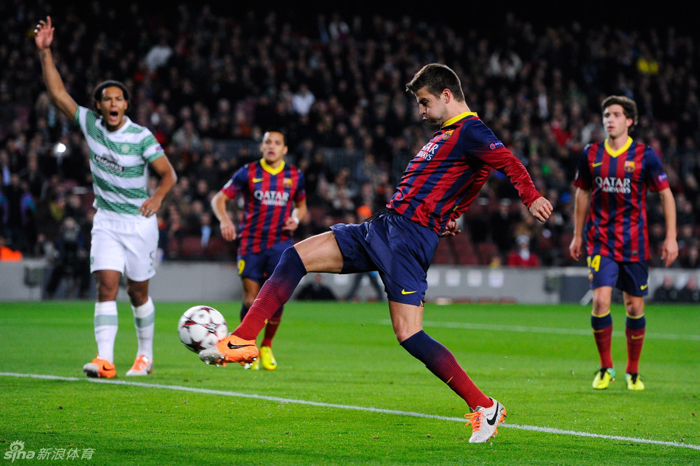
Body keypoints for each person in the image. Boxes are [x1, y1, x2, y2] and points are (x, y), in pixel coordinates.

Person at [201, 63, 553, 443]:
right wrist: (451, 214)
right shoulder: (449, 134)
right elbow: (468, 178)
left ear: (447, 96)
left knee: (408, 334)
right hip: (384, 226)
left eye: (424, 102)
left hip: (408, 240)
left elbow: (507, 163)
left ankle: (485, 406)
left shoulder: (471, 130)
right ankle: (243, 338)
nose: (421, 111)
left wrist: (530, 196)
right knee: (295, 256)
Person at [35, 17, 177, 378]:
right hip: (107, 222)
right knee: (107, 285)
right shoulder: (90, 125)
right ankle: (105, 360)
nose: (112, 103)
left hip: (140, 221)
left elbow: (168, 174)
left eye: (118, 98)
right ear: (98, 107)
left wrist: (158, 197)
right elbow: (58, 95)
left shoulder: (142, 136)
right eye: (106, 99)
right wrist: (46, 52)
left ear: (126, 104)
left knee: (138, 293)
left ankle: (145, 357)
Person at [569, 95, 678, 392]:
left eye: (616, 114)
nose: (609, 119)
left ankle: (633, 371)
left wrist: (671, 237)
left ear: (629, 120)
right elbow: (582, 193)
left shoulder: (645, 155)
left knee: (633, 307)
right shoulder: (591, 153)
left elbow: (666, 194)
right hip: (600, 241)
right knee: (601, 301)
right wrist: (578, 234)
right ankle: (606, 367)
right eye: (606, 114)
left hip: (635, 245)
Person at [210, 129, 306, 371]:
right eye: (267, 143)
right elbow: (218, 199)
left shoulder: (295, 175)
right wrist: (224, 220)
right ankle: (246, 346)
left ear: (284, 149)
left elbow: (301, 206)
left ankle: (266, 345)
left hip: (281, 244)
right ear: (261, 147)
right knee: (251, 298)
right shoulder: (248, 172)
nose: (271, 146)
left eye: (277, 143)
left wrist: (296, 218)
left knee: (276, 298)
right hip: (251, 243)